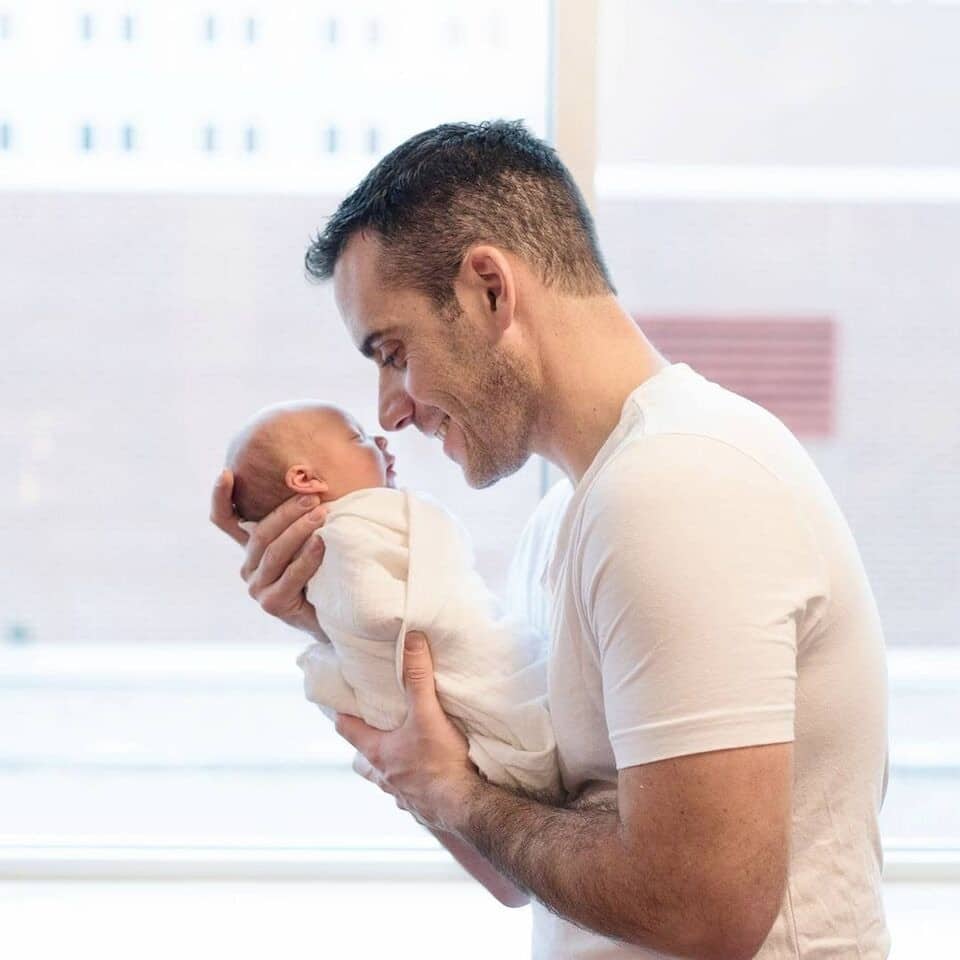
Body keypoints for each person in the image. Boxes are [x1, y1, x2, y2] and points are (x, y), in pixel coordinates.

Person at [210, 120, 890, 959]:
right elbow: (519, 871)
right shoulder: (564, 521)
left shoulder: (680, 486)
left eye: (393, 352)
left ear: (489, 289)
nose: (389, 410)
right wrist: (350, 634)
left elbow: (708, 910)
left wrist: (456, 794)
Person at [224, 400, 561, 802]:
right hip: (440, 669)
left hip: (455, 676)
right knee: (506, 712)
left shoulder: (362, 523)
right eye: (358, 437)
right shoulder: (343, 532)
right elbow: (374, 609)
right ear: (305, 478)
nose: (381, 437)